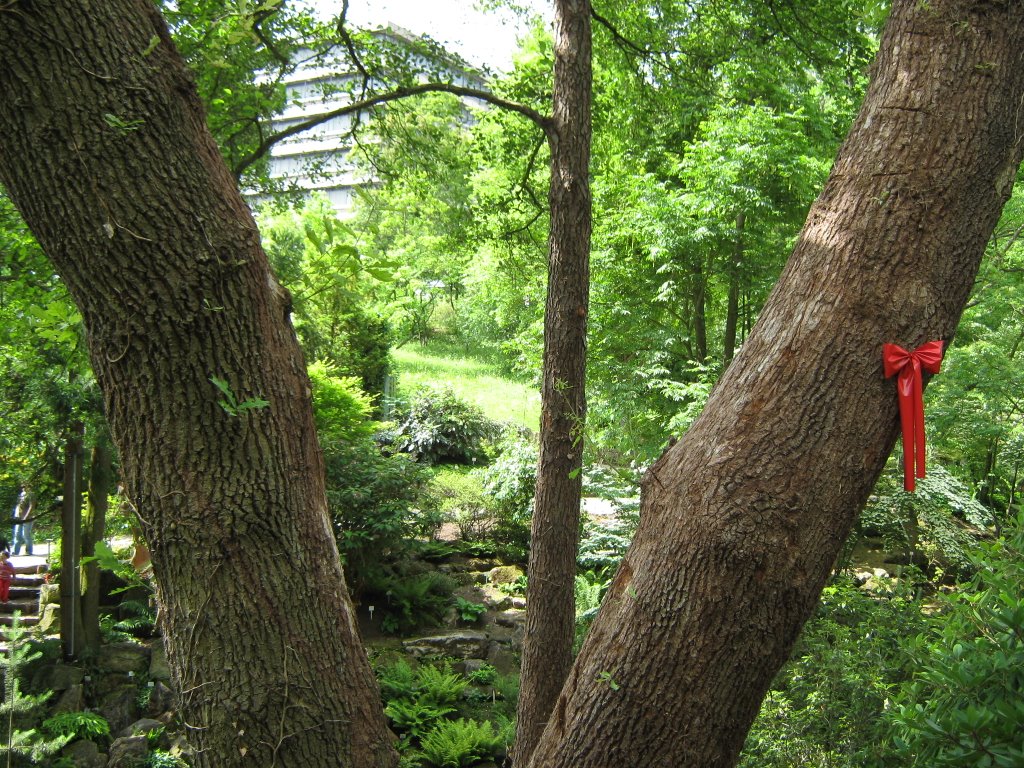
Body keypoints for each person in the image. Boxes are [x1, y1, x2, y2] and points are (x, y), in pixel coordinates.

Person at [11, 487, 33, 556]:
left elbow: (31, 506)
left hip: (27, 518)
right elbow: (18, 506)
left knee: (26, 535)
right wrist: (15, 516)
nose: (24, 488)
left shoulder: (31, 494)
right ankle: (15, 552)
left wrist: (26, 517)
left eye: (25, 486)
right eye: (23, 486)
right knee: (17, 534)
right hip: (18, 518)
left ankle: (29, 551)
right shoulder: (21, 494)